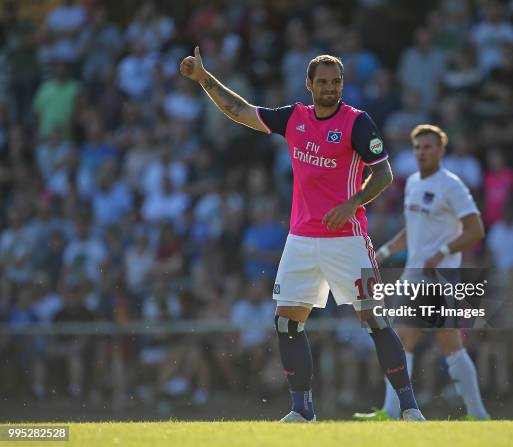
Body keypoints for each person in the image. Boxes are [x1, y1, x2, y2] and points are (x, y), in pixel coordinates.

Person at [180, 48, 424, 422]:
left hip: (348, 238)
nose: (330, 87)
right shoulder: (294, 118)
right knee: (286, 322)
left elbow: (385, 174)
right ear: (309, 84)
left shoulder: (358, 122)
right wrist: (204, 79)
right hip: (301, 240)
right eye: (323, 81)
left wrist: (352, 202)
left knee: (375, 320)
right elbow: (240, 111)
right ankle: (302, 410)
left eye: (336, 81)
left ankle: (409, 407)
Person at [353, 124, 490, 420]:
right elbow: (412, 227)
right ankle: (395, 411)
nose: (422, 152)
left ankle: (476, 414)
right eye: (417, 148)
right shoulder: (413, 182)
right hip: (414, 274)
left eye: (428, 147)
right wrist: (386, 251)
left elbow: (476, 229)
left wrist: (442, 253)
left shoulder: (451, 185)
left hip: (438, 276)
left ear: (441, 151)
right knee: (409, 341)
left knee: (443, 344)